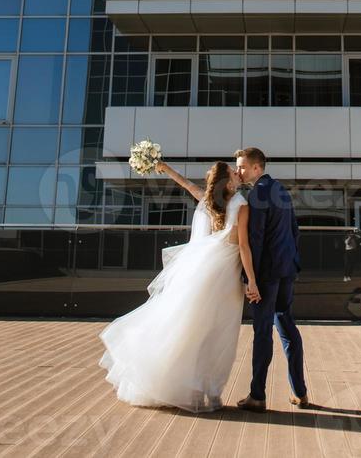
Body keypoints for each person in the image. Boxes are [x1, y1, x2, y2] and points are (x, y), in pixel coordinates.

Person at [97, 159, 257, 412]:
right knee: (219, 334)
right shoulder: (241, 204)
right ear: (228, 181)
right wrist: (252, 282)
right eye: (234, 172)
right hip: (224, 275)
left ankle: (194, 391)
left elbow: (186, 185)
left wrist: (165, 168)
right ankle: (211, 392)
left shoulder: (207, 201)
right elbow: (243, 247)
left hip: (199, 272)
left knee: (192, 329)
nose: (238, 174)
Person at [234, 146, 309, 412]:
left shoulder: (257, 194)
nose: (238, 171)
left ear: (257, 167)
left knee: (262, 331)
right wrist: (292, 262)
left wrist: (249, 278)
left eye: (242, 166)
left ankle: (257, 396)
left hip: (266, 275)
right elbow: (294, 230)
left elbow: (254, 240)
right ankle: (300, 392)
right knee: (287, 326)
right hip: (287, 269)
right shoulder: (281, 190)